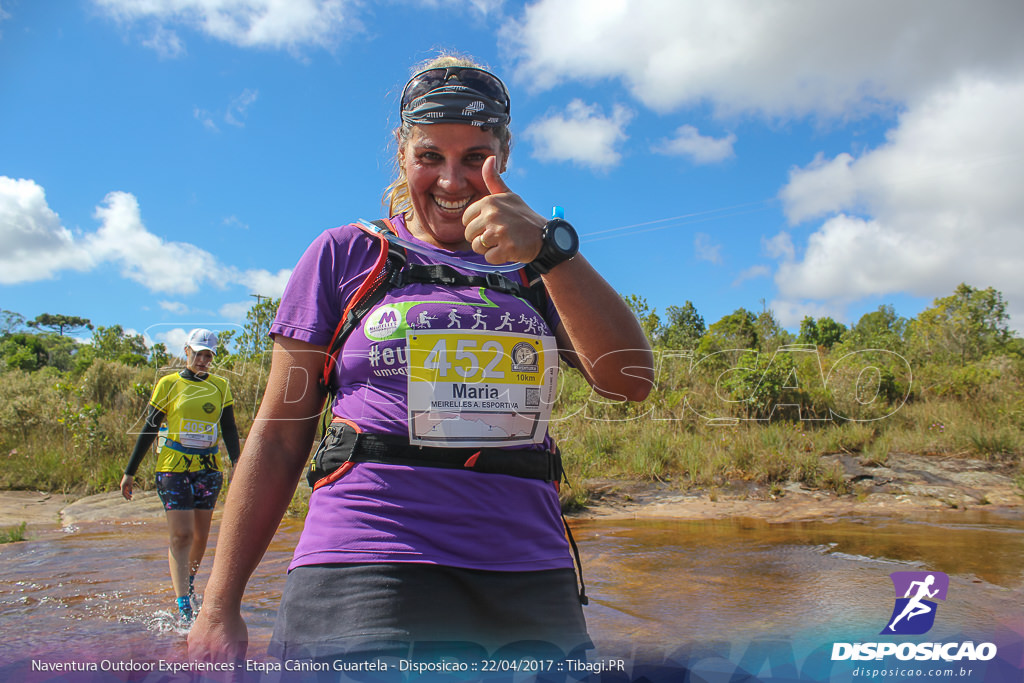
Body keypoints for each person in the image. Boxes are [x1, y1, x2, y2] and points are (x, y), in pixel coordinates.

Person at [189, 54, 653, 664]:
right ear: (402, 152)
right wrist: (220, 605)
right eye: (430, 156)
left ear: (504, 155)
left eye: (475, 158)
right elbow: (278, 437)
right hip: (364, 562)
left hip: (528, 571)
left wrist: (549, 252)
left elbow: (630, 381)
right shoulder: (344, 254)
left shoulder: (536, 268)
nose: (453, 181)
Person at [120, 328, 241, 624]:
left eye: (208, 354)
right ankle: (183, 604)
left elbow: (228, 428)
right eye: (198, 353)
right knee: (182, 534)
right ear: (186, 351)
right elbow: (149, 427)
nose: (203, 359)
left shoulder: (220, 386)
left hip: (209, 469)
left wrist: (238, 462)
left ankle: (187, 583)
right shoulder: (168, 384)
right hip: (173, 468)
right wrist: (130, 471)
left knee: (200, 535)